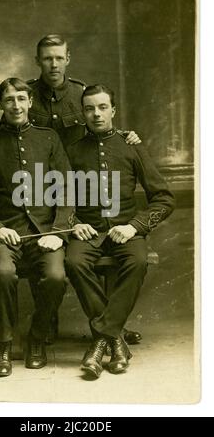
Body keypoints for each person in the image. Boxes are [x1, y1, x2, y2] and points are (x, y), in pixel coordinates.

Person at [0, 34, 143, 346]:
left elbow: (100, 124)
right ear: (38, 60)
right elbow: (9, 137)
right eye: (47, 58)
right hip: (36, 190)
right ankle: (52, 323)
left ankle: (109, 326)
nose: (53, 63)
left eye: (58, 57)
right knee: (52, 259)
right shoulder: (24, 93)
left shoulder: (79, 93)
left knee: (75, 257)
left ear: (68, 59)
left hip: (77, 185)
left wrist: (125, 136)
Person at [0, 78, 73, 377]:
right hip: (4, 235)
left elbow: (67, 190)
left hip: (45, 233)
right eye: (9, 100)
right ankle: (4, 343)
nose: (16, 105)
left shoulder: (48, 138)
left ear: (30, 102)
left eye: (21, 98)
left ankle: (36, 338)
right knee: (2, 272)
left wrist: (57, 231)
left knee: (56, 276)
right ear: (0, 105)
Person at [65, 84, 176, 378]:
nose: (96, 114)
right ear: (83, 113)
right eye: (89, 108)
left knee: (138, 261)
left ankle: (100, 340)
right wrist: (74, 223)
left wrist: (133, 226)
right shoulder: (73, 151)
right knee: (73, 262)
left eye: (102, 107)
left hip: (126, 231)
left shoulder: (131, 146)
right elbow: (58, 196)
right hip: (88, 233)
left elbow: (164, 197)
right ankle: (116, 341)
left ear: (113, 111)